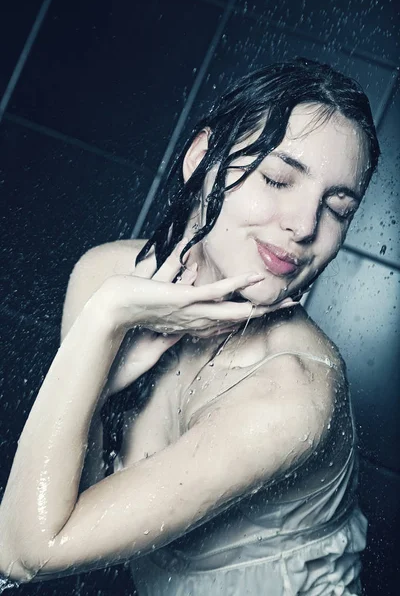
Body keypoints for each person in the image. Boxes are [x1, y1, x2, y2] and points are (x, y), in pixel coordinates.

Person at [0, 58, 380, 595]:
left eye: (337, 209)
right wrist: (106, 380)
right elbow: (68, 508)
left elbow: (24, 553)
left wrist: (106, 319)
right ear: (204, 159)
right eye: (277, 179)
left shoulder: (291, 393)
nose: (304, 225)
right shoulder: (106, 274)